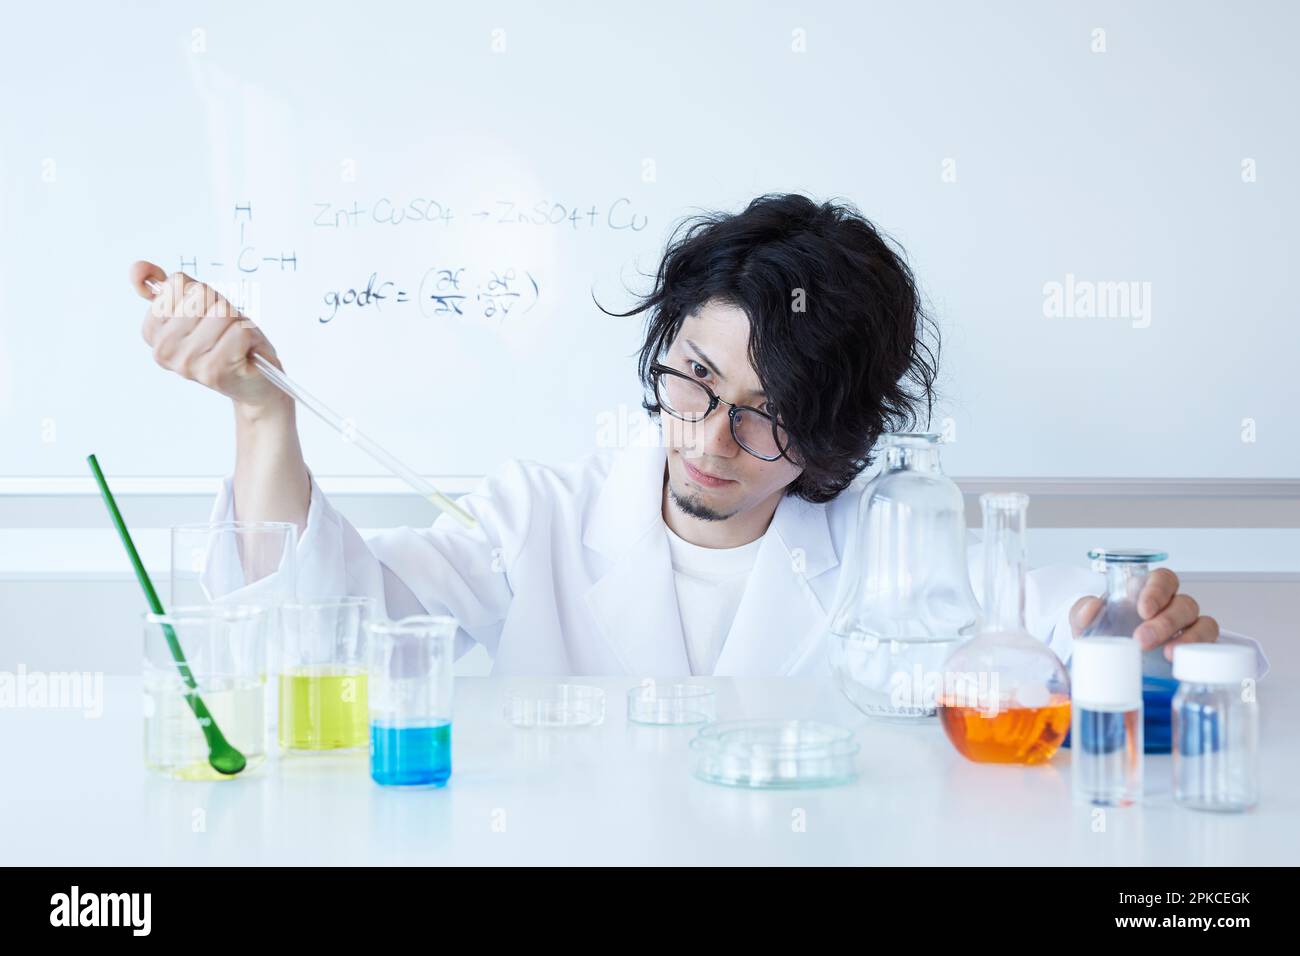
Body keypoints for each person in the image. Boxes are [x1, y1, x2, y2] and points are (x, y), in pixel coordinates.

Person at [129, 193, 1266, 678]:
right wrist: (261, 411)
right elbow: (323, 628)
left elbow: (1086, 625)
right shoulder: (537, 516)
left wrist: (1140, 630)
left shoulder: (895, 542)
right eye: (694, 379)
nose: (712, 437)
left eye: (768, 410)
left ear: (837, 429)